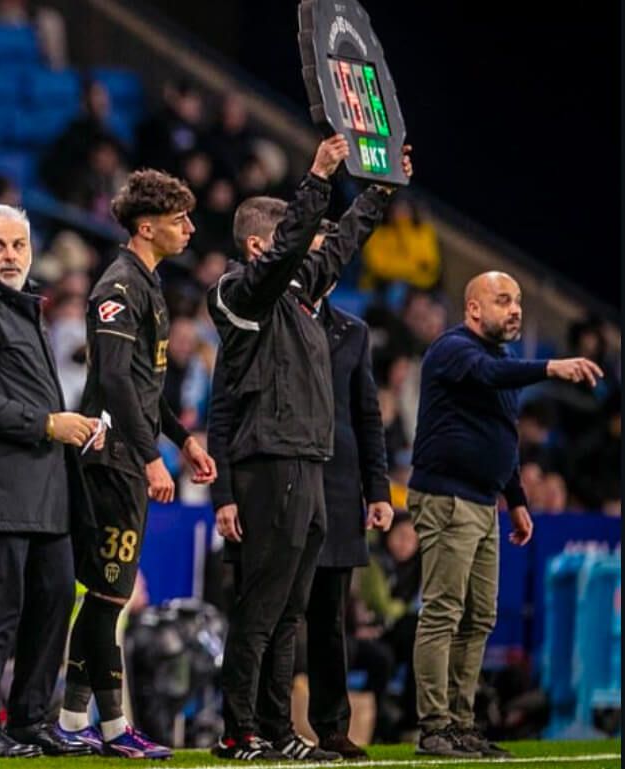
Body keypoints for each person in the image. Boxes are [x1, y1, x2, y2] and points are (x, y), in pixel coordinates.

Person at [207, 135, 412, 761]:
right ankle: (239, 731)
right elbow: (294, 251)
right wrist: (318, 177)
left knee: (290, 614)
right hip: (271, 462)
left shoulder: (297, 298)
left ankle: (275, 729)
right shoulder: (239, 294)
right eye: (300, 238)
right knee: (262, 608)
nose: (315, 246)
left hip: (309, 462)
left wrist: (378, 192)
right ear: (259, 246)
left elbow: (341, 246)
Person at [407, 271, 603, 758]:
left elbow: (502, 435)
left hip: (483, 501)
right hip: (447, 498)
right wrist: (551, 367)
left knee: (479, 617)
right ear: (474, 308)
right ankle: (434, 726)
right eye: (502, 301)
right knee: (444, 613)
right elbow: (488, 376)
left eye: (517, 301)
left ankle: (461, 722)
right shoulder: (452, 350)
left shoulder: (504, 358)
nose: (514, 309)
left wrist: (515, 499)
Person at [58, 169, 217, 759]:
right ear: (146, 227)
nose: (190, 229)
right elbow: (117, 383)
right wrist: (152, 457)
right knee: (107, 597)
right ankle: (112, 729)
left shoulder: (147, 283)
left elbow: (145, 390)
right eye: (179, 220)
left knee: (105, 596)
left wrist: (184, 441)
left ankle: (75, 721)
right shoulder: (120, 286)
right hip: (112, 459)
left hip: (129, 454)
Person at [0, 204, 99, 758]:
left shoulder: (20, 306)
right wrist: (48, 424)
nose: (10, 256)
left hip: (41, 483)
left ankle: (31, 720)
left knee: (55, 595)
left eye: (19, 246)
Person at [305, 281, 394, 758]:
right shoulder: (279, 318)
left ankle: (332, 727)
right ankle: (260, 725)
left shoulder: (352, 331)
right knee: (273, 616)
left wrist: (377, 491)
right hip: (289, 484)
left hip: (339, 491)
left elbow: (367, 416)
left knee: (328, 618)